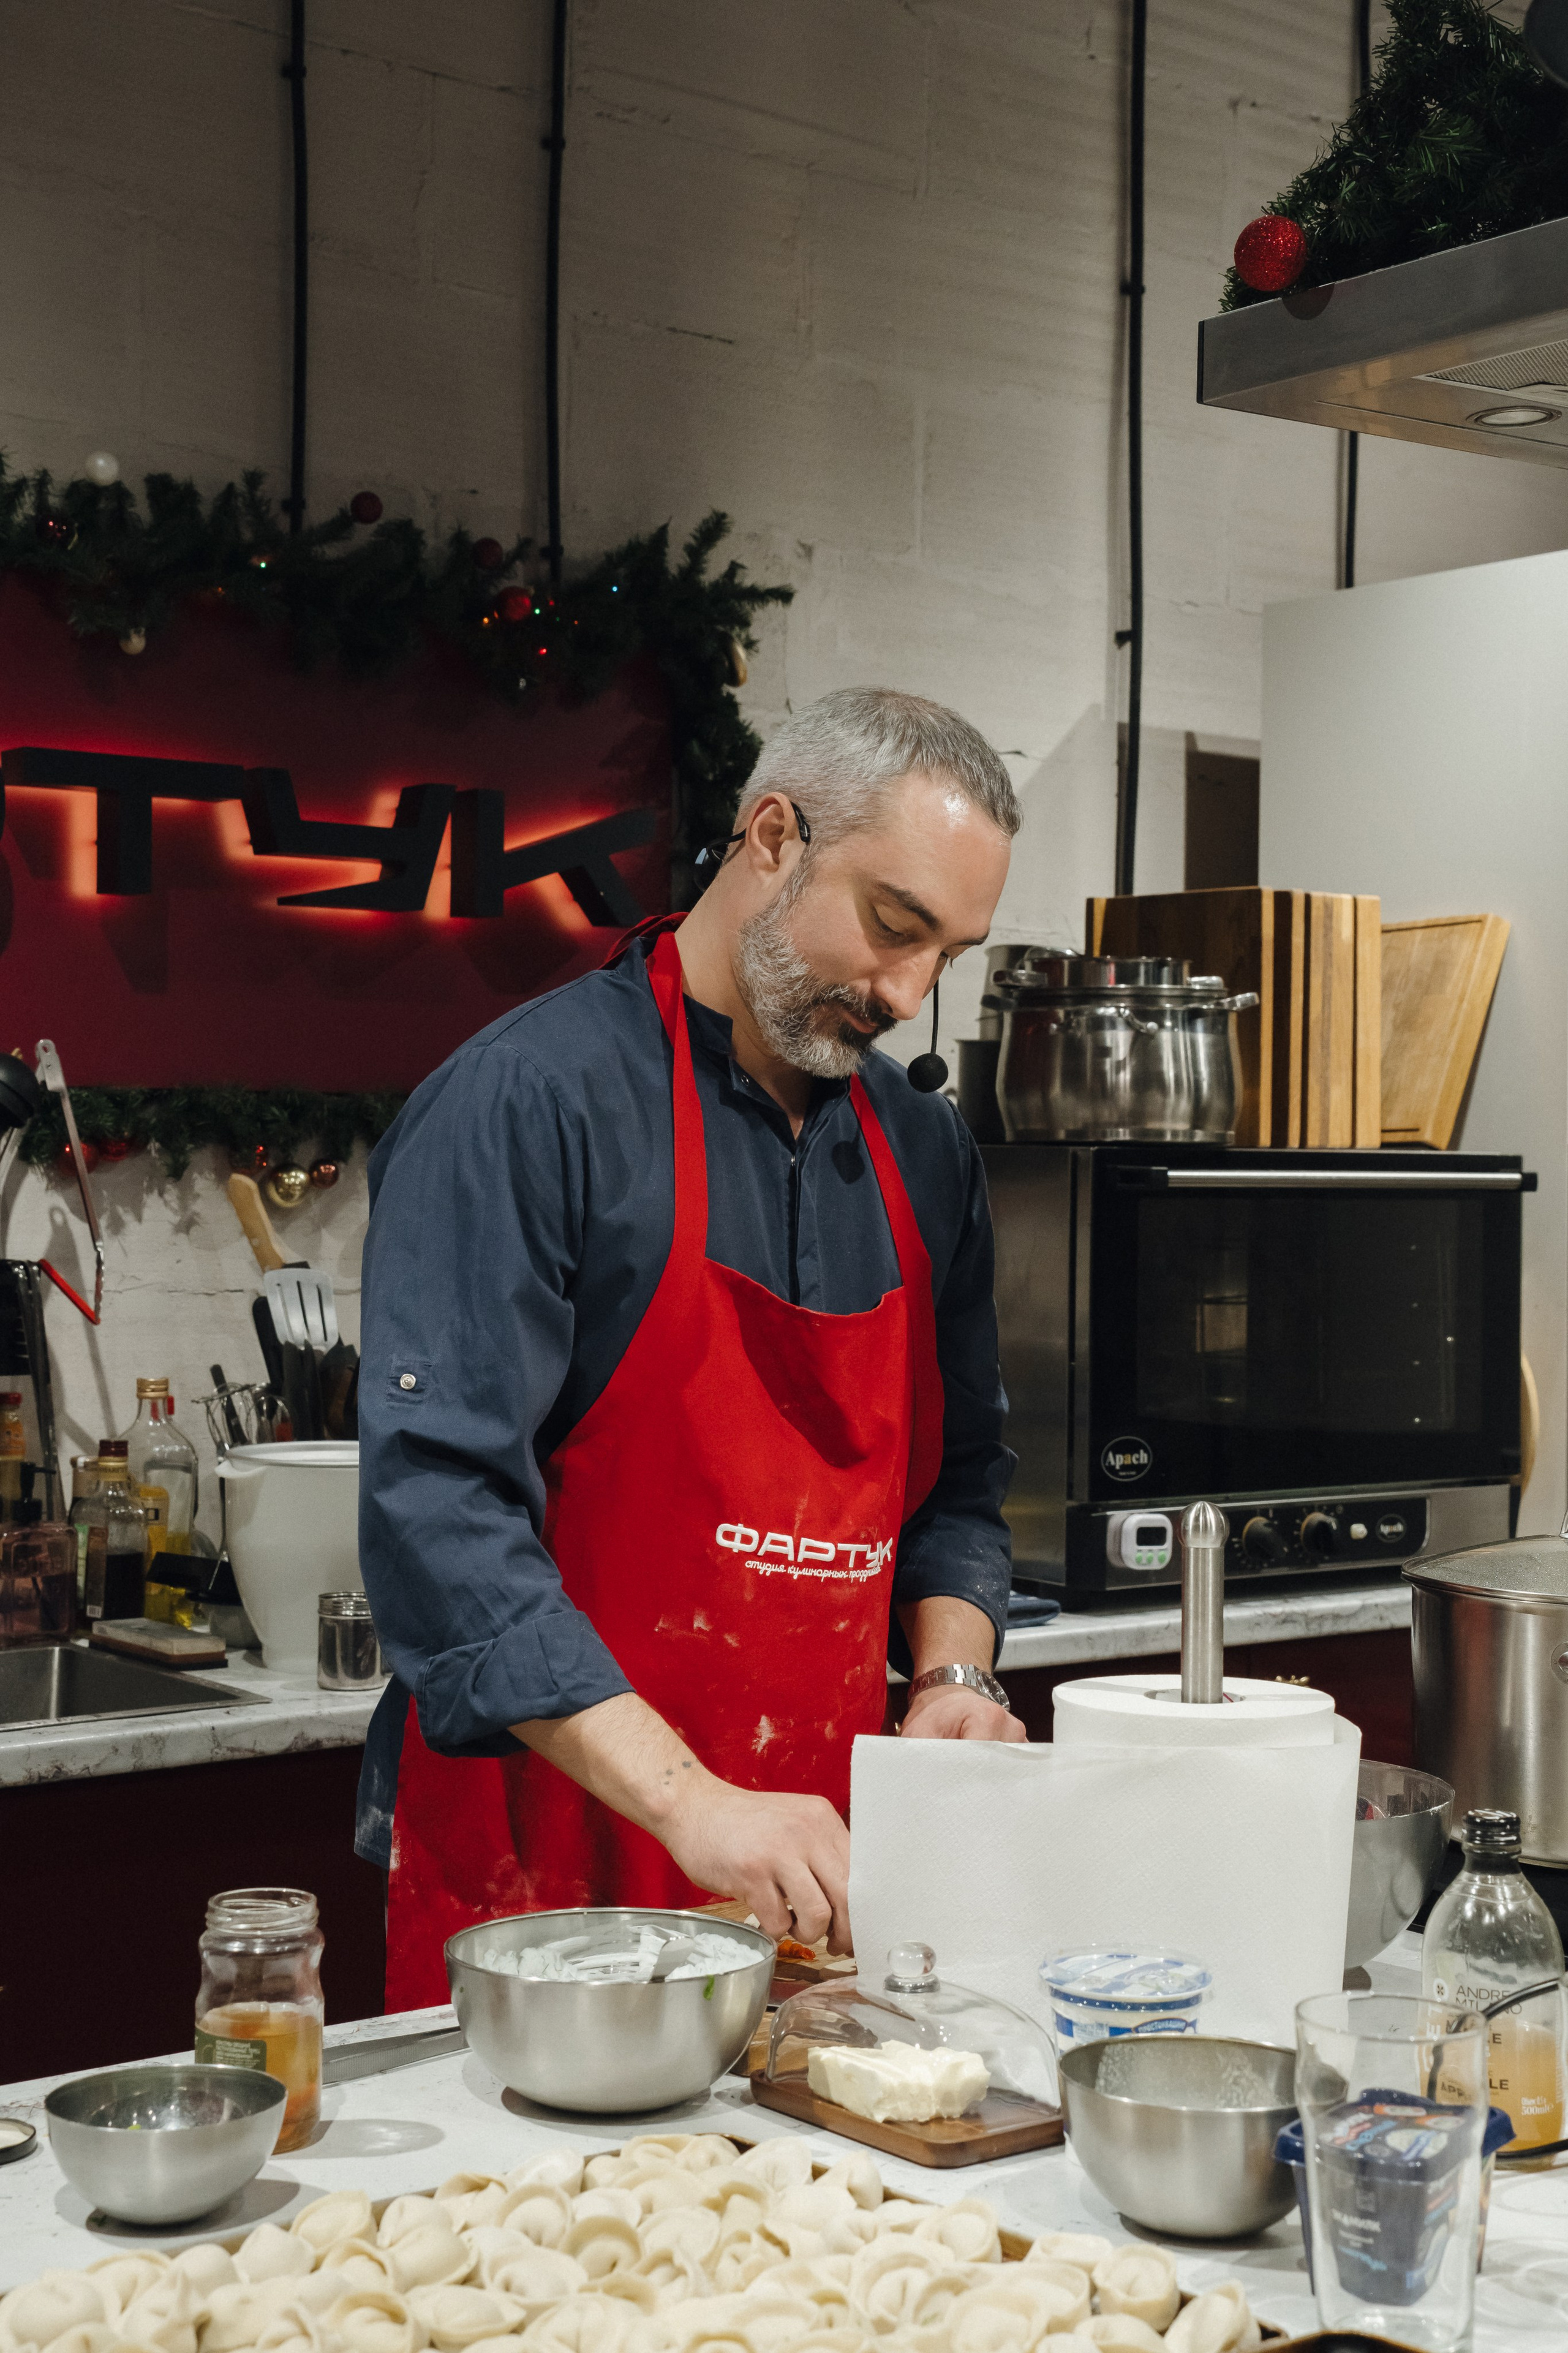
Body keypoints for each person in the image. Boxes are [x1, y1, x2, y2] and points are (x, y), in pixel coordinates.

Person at [356, 686, 1027, 2008]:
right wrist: (693, 1804)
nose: (906, 992)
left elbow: (960, 1487)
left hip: (808, 1896)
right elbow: (438, 1516)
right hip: (545, 1895)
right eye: (892, 925)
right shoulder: (527, 1102)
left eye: (947, 953)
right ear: (770, 835)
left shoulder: (923, 1151)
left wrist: (952, 1672)